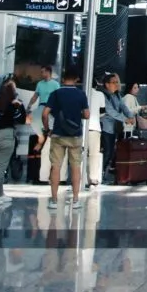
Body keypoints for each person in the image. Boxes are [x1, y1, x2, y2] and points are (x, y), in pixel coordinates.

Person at [43, 68, 90, 204]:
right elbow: (87, 115)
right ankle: (75, 200)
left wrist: (47, 130)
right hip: (75, 135)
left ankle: (54, 200)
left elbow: (45, 114)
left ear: (63, 79)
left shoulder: (56, 94)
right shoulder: (81, 95)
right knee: (75, 166)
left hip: (58, 134)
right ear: (76, 80)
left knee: (56, 166)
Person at [0, 79, 27, 202]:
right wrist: (21, 106)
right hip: (6, 136)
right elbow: (22, 120)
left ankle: (0, 194)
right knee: (0, 167)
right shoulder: (13, 105)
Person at [97, 73, 129, 182]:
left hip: (113, 128)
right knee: (107, 152)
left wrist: (130, 116)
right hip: (105, 128)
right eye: (113, 82)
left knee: (110, 152)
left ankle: (103, 174)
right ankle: (99, 174)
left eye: (117, 82)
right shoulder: (103, 96)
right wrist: (125, 119)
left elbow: (123, 107)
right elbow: (110, 111)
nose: (116, 84)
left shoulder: (117, 95)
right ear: (106, 84)